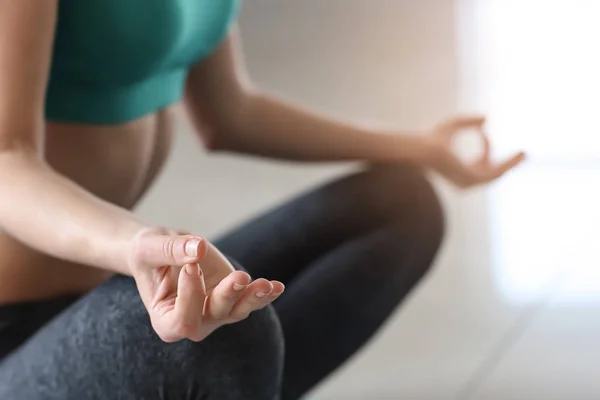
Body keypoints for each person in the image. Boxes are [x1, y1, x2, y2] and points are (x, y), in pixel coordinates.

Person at [0, 1, 524, 399]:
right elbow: (6, 157)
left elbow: (232, 113)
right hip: (13, 332)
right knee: (227, 335)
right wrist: (136, 244)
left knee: (400, 204)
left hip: (103, 293)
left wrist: (421, 148)